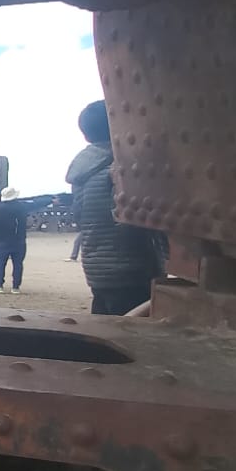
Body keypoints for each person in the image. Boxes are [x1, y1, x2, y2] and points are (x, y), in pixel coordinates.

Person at [67, 100, 167, 314]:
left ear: (86, 135)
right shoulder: (120, 166)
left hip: (96, 269)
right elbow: (132, 221)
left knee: (105, 324)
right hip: (131, 267)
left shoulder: (81, 170)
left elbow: (79, 216)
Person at [0, 187, 55, 294]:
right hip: (19, 240)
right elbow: (35, 203)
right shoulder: (21, 206)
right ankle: (15, 287)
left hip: (2, 240)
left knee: (0, 264)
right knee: (18, 264)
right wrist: (50, 200)